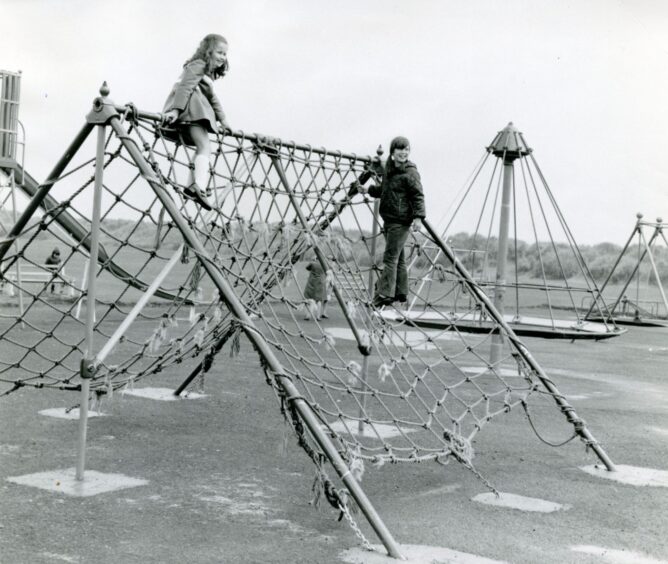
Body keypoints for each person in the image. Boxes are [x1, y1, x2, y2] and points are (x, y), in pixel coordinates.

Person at [162, 33, 232, 211]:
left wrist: (223, 119)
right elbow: (184, 87)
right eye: (219, 53)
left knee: (204, 147)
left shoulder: (207, 73)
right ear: (208, 52)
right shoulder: (198, 65)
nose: (223, 57)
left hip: (195, 111)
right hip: (190, 110)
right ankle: (197, 186)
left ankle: (193, 186)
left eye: (225, 54)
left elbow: (212, 97)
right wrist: (176, 111)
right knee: (205, 147)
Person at [356, 136, 426, 307]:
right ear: (393, 152)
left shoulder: (410, 172)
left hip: (400, 221)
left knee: (390, 258)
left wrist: (418, 217)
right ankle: (401, 292)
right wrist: (368, 189)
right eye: (400, 149)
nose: (404, 152)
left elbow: (418, 195)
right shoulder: (390, 170)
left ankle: (385, 294)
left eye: (406, 149)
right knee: (398, 258)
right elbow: (384, 190)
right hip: (389, 218)